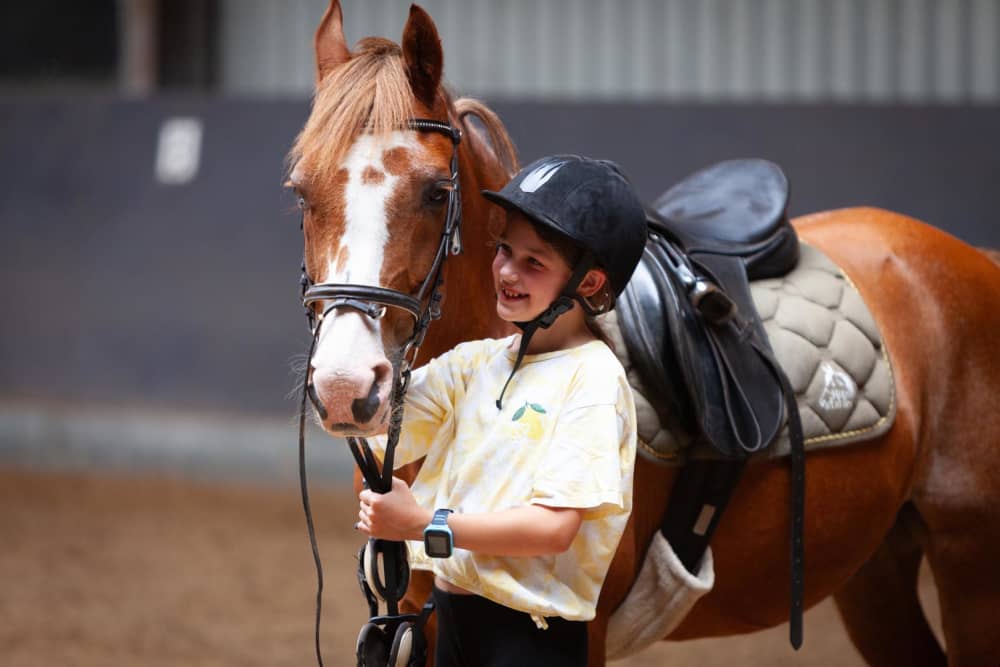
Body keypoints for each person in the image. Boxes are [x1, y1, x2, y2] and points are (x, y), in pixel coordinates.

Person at [357, 155, 647, 666]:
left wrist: (425, 524)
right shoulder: (476, 363)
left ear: (590, 283)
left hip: (530, 643)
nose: (507, 271)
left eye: (534, 262)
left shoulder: (594, 380)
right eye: (504, 250)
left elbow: (552, 530)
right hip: (453, 622)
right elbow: (377, 418)